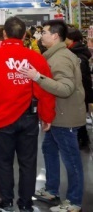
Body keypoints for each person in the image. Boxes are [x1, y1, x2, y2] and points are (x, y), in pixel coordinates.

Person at [0, 17, 56, 212]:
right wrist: (47, 116)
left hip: (3, 117)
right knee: (28, 162)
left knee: (4, 162)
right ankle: (26, 204)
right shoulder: (36, 58)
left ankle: (7, 202)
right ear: (24, 34)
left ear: (4, 34)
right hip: (29, 117)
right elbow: (45, 90)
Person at [19, 20, 86, 212]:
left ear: (55, 36)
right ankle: (51, 190)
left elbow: (65, 89)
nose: (41, 36)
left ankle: (74, 202)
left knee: (71, 160)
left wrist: (37, 77)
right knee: (49, 149)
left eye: (45, 33)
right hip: (56, 115)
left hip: (65, 116)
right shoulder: (55, 55)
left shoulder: (60, 59)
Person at [65, 29, 92, 148]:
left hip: (80, 90)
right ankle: (82, 138)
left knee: (78, 115)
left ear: (71, 39)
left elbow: (82, 76)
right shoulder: (77, 51)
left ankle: (82, 139)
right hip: (82, 90)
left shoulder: (76, 55)